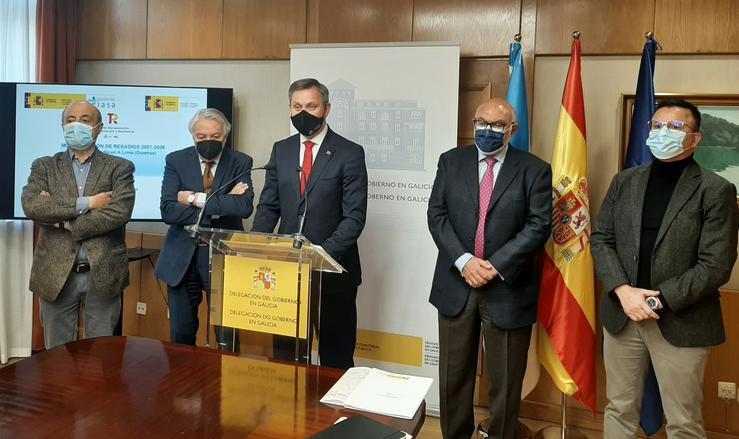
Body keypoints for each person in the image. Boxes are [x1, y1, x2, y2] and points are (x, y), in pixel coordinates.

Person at [592, 99, 739, 438]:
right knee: (619, 409)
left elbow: (716, 264)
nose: (663, 133)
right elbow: (601, 239)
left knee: (684, 421)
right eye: (657, 126)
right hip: (622, 315)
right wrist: (623, 291)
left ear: (696, 138)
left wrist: (656, 301)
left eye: (676, 127)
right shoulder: (624, 182)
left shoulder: (716, 190)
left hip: (681, 320)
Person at [427, 98, 552, 439]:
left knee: (506, 383)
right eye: (481, 122)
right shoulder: (451, 162)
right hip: (456, 285)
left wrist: (494, 266)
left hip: (508, 289)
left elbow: (538, 226)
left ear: (513, 129)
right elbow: (436, 216)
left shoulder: (534, 169)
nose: (487, 130)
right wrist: (465, 262)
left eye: (497, 125)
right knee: (454, 377)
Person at [251, 78, 368, 370]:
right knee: (286, 356)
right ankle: (290, 415)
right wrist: (254, 246)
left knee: (336, 357)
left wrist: (321, 256)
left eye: (311, 106)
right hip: (286, 270)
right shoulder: (282, 150)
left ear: (326, 109)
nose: (304, 112)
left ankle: (336, 415)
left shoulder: (350, 152)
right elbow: (269, 206)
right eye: (297, 106)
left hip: (333, 272)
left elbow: (354, 216)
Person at [21, 100, 135, 349]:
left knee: (103, 355)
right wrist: (89, 202)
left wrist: (63, 222)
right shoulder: (44, 166)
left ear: (99, 128)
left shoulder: (120, 167)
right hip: (55, 272)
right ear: (62, 125)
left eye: (85, 120)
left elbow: (119, 212)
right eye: (71, 120)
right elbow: (33, 206)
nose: (77, 125)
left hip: (103, 272)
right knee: (57, 356)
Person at [155, 108, 254, 350]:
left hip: (222, 257)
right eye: (201, 137)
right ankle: (183, 386)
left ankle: (227, 387)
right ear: (193, 137)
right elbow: (168, 210)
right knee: (181, 334)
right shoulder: (176, 160)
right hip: (182, 258)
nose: (208, 141)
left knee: (226, 337)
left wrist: (192, 199)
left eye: (215, 136)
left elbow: (243, 207)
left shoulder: (241, 161)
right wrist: (221, 203)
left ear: (225, 137)